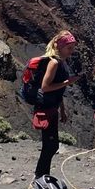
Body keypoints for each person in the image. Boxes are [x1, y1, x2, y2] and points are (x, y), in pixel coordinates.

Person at [33, 30, 80, 178]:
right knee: (50, 145)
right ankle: (40, 177)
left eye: (73, 48)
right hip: (45, 108)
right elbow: (45, 87)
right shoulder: (53, 62)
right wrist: (67, 82)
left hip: (52, 106)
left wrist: (63, 110)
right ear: (59, 47)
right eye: (69, 48)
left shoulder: (61, 62)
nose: (71, 51)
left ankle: (42, 176)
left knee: (51, 145)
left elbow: (58, 90)